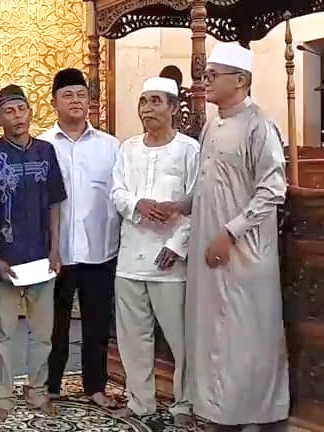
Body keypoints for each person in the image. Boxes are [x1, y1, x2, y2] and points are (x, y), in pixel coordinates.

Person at [181, 43, 289, 431]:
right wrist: (178, 205)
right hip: (209, 248)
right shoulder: (211, 126)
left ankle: (254, 415)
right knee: (213, 334)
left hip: (245, 253)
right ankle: (217, 411)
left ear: (240, 80)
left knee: (245, 337)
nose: (204, 81)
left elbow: (273, 189)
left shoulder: (260, 124)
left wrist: (230, 233)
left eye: (212, 75)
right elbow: (207, 185)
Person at [0, 84, 66, 422]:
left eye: (22, 109)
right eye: (9, 111)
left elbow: (55, 203)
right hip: (7, 260)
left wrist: (56, 249)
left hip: (42, 257)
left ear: (31, 112)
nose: (17, 117)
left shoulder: (46, 152)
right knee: (5, 333)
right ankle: (4, 395)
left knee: (42, 332)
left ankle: (38, 390)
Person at [109, 76, 197, 425]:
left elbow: (198, 202)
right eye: (143, 102)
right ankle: (140, 403)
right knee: (133, 338)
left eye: (155, 101)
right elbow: (117, 192)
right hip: (131, 258)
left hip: (170, 262)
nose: (147, 109)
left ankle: (184, 404)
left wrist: (177, 245)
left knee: (181, 341)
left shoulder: (189, 149)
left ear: (173, 107)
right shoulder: (128, 148)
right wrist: (138, 205)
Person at [37, 68, 120, 407]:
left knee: (96, 324)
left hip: (100, 249)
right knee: (52, 325)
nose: (75, 101)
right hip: (56, 252)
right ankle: (51, 385)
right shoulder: (41, 146)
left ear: (89, 101)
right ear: (54, 102)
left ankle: (95, 387)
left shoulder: (110, 146)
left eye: (81, 95)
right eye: (68, 95)